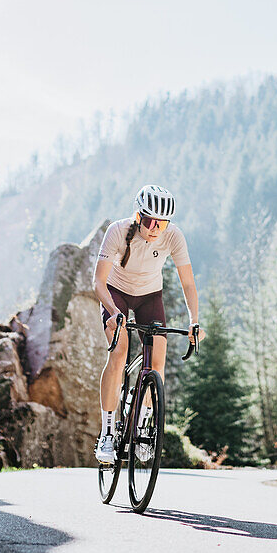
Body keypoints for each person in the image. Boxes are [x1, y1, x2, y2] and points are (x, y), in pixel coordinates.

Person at [92, 184, 205, 463]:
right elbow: (98, 282)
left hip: (149, 296)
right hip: (115, 293)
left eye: (162, 223)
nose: (155, 228)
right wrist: (113, 312)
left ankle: (142, 427)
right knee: (119, 355)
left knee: (157, 363)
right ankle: (107, 434)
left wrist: (194, 322)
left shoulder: (174, 237)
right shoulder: (118, 231)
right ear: (138, 215)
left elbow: (188, 283)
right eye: (149, 220)